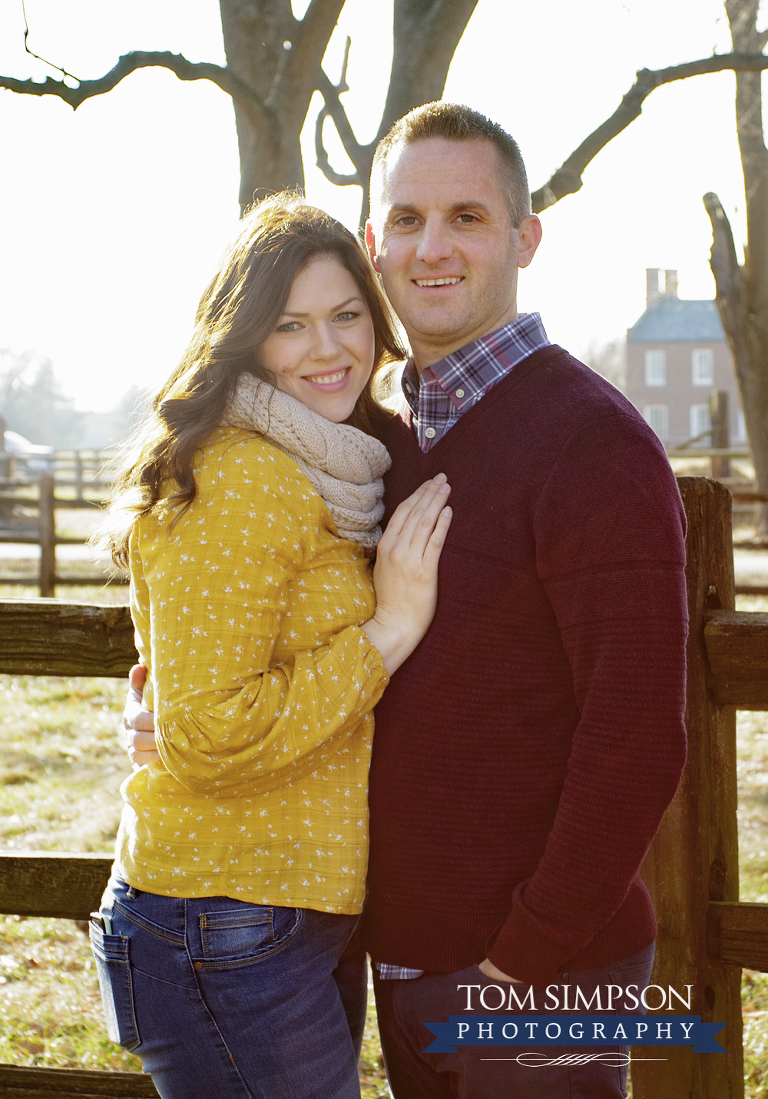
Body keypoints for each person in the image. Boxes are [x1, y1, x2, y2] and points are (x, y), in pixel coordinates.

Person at [127, 104, 689, 1099]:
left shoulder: (595, 447)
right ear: (377, 242)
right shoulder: (368, 442)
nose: (434, 248)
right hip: (397, 951)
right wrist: (172, 707)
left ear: (525, 237)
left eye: (467, 217)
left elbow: (636, 736)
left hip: (543, 969)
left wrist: (524, 961)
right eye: (407, 220)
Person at [92, 193, 452, 1099]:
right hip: (221, 916)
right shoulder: (244, 473)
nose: (327, 349)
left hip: (285, 907)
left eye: (345, 315)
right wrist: (389, 631)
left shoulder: (336, 462)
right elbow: (213, 729)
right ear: (246, 338)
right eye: (290, 325)